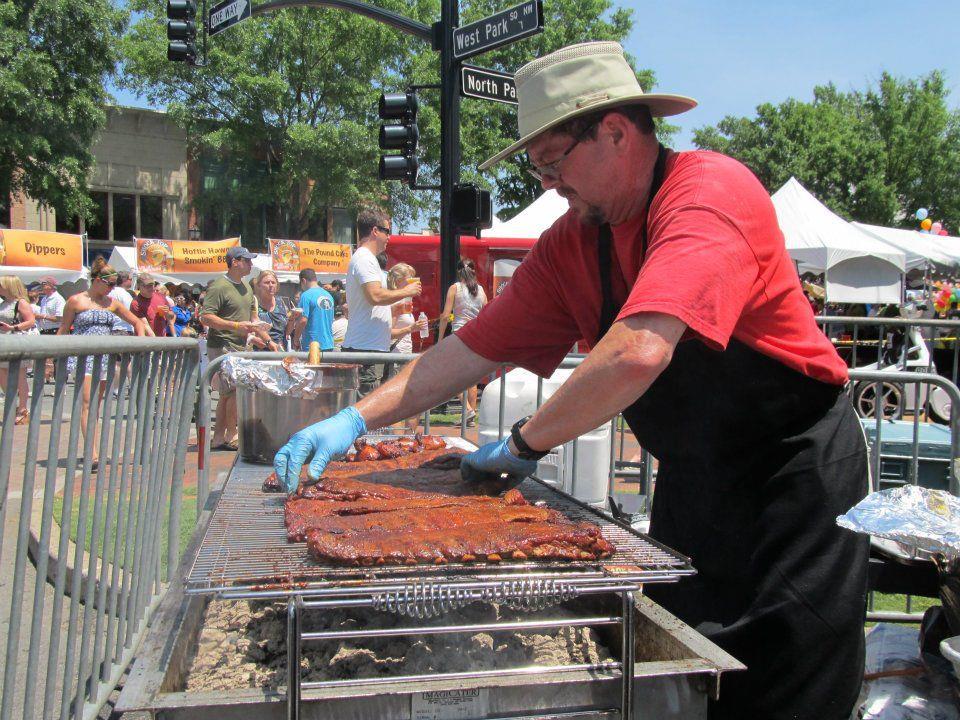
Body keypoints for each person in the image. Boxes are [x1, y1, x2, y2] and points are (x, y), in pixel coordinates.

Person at [275, 42, 869, 720]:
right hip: (694, 482)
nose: (549, 185)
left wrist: (524, 444)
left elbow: (640, 351)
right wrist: (355, 418)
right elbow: (469, 349)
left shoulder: (709, 193)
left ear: (615, 132)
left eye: (553, 162)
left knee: (784, 689)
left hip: (792, 487)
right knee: (679, 676)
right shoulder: (572, 242)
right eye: (538, 170)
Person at [59, 258, 147, 468]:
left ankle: (94, 449)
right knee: (88, 402)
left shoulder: (112, 304)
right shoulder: (75, 301)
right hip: (83, 358)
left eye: (115, 284)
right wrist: (56, 357)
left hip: (104, 359)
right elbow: (63, 328)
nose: (112, 288)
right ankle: (92, 453)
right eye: (110, 284)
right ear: (97, 280)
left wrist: (141, 343)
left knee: (96, 405)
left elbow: (136, 321)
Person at [341, 209, 421, 396]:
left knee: (370, 412)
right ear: (375, 231)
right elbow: (375, 296)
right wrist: (406, 291)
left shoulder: (368, 260)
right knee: (365, 415)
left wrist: (394, 307)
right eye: (387, 231)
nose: (389, 237)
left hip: (370, 348)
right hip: (365, 350)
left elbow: (372, 301)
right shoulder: (364, 259)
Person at [200, 246, 261, 451]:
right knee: (233, 392)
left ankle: (219, 437)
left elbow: (251, 319)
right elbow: (206, 317)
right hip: (223, 345)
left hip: (240, 346)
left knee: (229, 394)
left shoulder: (246, 288)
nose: (251, 264)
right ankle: (231, 434)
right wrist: (235, 326)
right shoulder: (219, 286)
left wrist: (260, 336)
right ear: (235, 262)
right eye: (247, 260)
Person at [437, 258, 488, 424]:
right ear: (474, 271)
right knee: (471, 378)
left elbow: (445, 315)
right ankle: (471, 415)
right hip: (477, 337)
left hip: (460, 335)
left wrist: (440, 339)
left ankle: (467, 410)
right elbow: (486, 315)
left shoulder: (455, 288)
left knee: (449, 375)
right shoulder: (480, 290)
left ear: (459, 272)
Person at [0, 276, 37, 424]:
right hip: (4, 342)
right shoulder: (4, 303)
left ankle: (22, 409)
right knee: (2, 375)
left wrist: (13, 327)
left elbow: (31, 321)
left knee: (20, 376)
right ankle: (13, 404)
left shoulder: (21, 302)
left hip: (16, 341)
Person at [294, 269, 335, 352]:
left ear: (303, 280)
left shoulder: (306, 295)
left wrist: (296, 339)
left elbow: (303, 320)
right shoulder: (328, 295)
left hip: (312, 345)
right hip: (329, 344)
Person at [253, 269, 290, 351]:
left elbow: (287, 331)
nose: (271, 285)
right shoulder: (253, 302)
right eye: (267, 282)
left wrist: (293, 319)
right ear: (259, 285)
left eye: (273, 282)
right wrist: (252, 338)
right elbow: (247, 327)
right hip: (260, 353)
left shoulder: (281, 302)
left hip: (280, 352)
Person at [129, 273, 168, 337]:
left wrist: (168, 312)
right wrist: (157, 343)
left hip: (162, 339)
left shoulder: (161, 297)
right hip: (147, 341)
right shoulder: (136, 303)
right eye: (146, 286)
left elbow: (171, 318)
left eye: (152, 285)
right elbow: (145, 326)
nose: (150, 288)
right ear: (139, 286)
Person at [109, 271, 136, 335]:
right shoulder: (124, 294)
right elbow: (130, 311)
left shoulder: (109, 291)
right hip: (123, 329)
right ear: (125, 280)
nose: (131, 281)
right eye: (130, 279)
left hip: (111, 329)